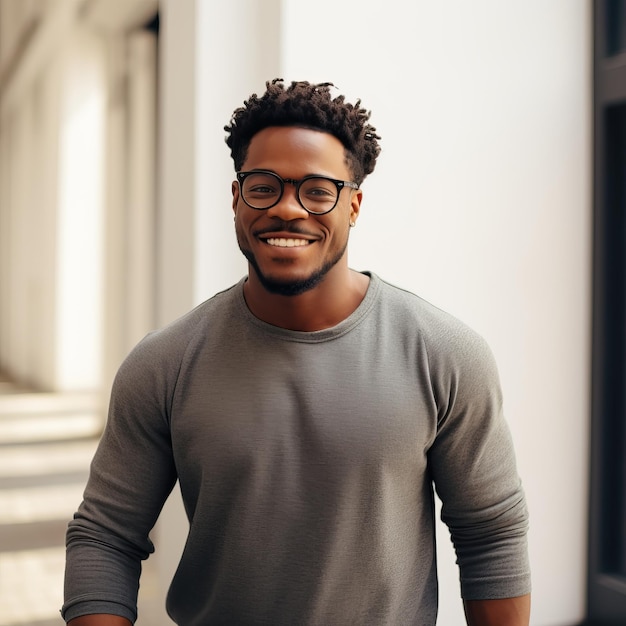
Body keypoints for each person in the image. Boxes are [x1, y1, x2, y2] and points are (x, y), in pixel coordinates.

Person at [62, 79, 531, 625]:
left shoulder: (445, 356)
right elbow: (104, 535)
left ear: (354, 205)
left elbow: (491, 534)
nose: (287, 209)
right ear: (235, 199)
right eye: (264, 186)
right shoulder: (165, 363)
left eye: (317, 190)